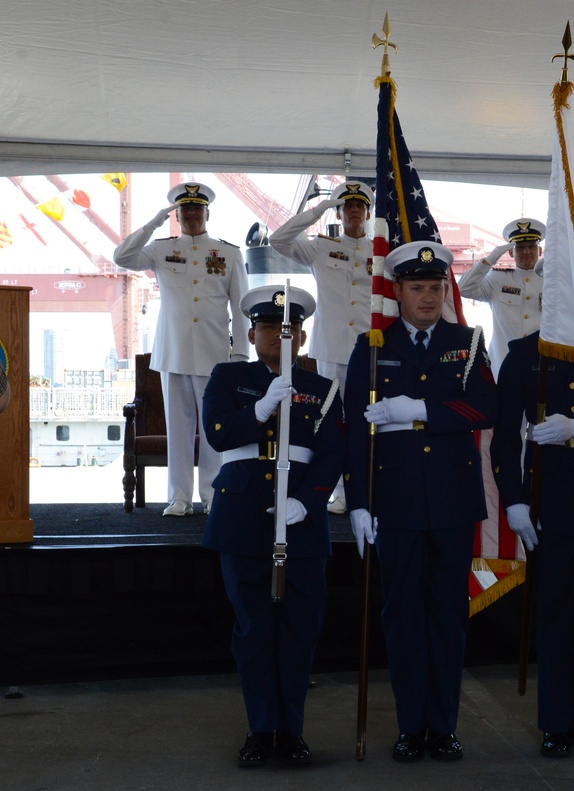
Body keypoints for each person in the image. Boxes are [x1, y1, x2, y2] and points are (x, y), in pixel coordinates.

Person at [344, 241, 497, 764]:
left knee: (448, 618)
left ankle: (444, 726)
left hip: (454, 502)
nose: (428, 297)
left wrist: (422, 409)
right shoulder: (370, 345)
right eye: (417, 288)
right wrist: (360, 503)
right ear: (399, 291)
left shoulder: (468, 341)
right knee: (403, 617)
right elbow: (353, 433)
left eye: (435, 288)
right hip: (397, 501)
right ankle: (412, 726)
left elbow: (484, 407)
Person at [201, 285, 345, 768]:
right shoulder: (229, 376)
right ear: (252, 332)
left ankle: (293, 732)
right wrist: (260, 408)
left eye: (290, 330)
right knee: (254, 630)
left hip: (300, 519)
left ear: (302, 338)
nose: (280, 337)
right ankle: (262, 730)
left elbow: (332, 454)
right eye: (269, 328)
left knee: (300, 631)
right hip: (242, 513)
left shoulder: (322, 388)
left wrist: (306, 504)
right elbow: (218, 434)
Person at [491, 331, 574, 759]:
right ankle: (556, 724)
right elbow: (505, 436)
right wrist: (514, 501)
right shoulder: (525, 354)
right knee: (555, 613)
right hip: (549, 502)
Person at [114, 182, 249, 516]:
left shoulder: (229, 253)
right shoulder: (160, 249)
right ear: (178, 214)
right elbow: (122, 257)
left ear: (207, 213)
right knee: (178, 429)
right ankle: (179, 497)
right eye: (184, 209)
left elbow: (241, 307)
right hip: (172, 353)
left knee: (213, 427)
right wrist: (153, 223)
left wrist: (241, 356)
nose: (191, 215)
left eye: (196, 209)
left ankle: (212, 494)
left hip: (215, 353)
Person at [269, 180, 375, 514]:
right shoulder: (320, 247)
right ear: (340, 212)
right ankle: (341, 492)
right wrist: (318, 209)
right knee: (334, 423)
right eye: (346, 206)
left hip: (371, 349)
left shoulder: (382, 251)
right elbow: (279, 239)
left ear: (368, 213)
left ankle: (369, 488)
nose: (353, 211)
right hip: (331, 347)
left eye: (359, 206)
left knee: (369, 421)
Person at [457, 217, 544, 374]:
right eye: (520, 247)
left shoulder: (551, 282)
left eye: (532, 246)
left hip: (540, 365)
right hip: (503, 365)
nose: (526, 252)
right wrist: (490, 259)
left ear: (540, 251)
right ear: (510, 252)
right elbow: (463, 289)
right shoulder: (497, 279)